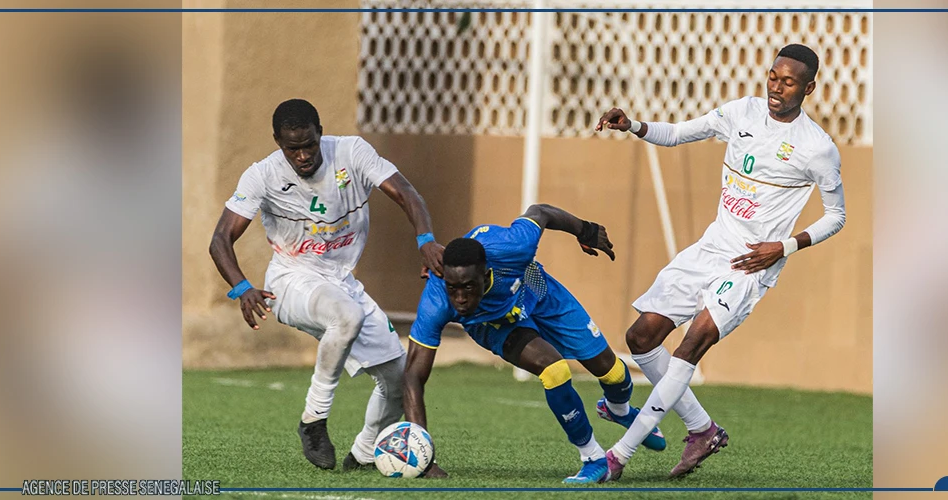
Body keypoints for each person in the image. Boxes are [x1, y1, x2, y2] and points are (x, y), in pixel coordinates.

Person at [593, 44, 847, 480]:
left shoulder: (817, 148)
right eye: (773, 76)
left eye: (788, 82)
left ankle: (618, 455)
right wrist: (632, 125)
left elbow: (837, 215)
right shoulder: (740, 113)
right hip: (710, 247)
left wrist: (784, 246)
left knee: (693, 342)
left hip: (751, 265)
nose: (776, 87)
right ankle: (702, 429)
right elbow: (675, 134)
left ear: (809, 88)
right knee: (641, 336)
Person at [208, 98, 445, 471]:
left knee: (398, 378)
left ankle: (364, 454)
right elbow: (220, 239)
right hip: (290, 279)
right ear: (277, 142)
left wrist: (426, 240)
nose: (303, 156)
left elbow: (406, 194)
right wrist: (241, 288)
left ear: (320, 133)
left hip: (342, 281)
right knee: (346, 316)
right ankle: (314, 421)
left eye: (309, 145)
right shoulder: (261, 175)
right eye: (292, 148)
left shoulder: (351, 152)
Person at [403, 204, 666, 483]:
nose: (460, 299)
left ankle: (617, 409)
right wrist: (424, 453)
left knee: (612, 372)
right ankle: (592, 457)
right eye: (452, 289)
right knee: (554, 370)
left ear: (486, 273)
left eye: (468, 287)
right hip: (494, 325)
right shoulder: (436, 298)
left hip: (539, 292)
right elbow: (412, 376)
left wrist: (585, 230)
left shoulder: (512, 247)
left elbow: (540, 212)